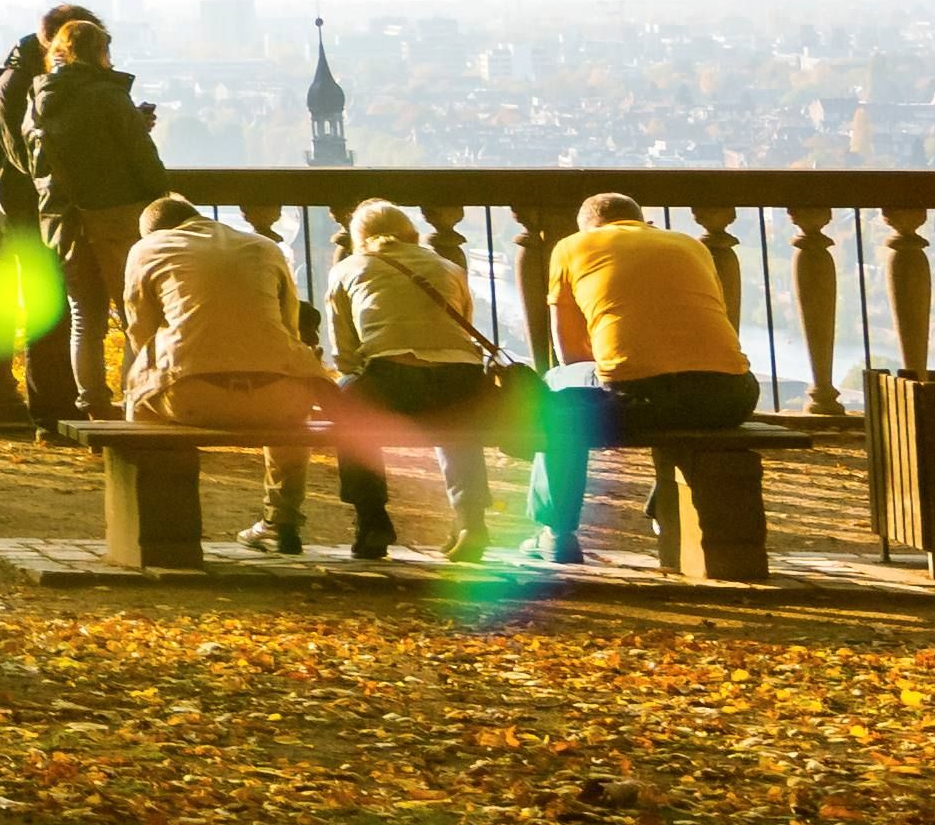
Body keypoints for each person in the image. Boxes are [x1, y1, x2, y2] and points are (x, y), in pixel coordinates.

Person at [532, 190, 759, 564]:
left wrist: (606, 379)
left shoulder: (571, 247)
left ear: (588, 226)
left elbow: (571, 353)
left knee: (556, 387)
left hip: (640, 397)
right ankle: (665, 498)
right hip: (732, 395)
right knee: (675, 395)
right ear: (642, 221)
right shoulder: (691, 245)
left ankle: (557, 533)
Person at [118, 194, 331, 550]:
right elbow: (290, 326)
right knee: (293, 401)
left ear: (153, 232)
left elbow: (141, 333)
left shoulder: (147, 249)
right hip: (277, 399)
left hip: (191, 398)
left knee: (138, 401)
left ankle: (164, 528)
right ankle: (281, 520)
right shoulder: (264, 247)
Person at [324, 198, 511, 566]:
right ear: (411, 233)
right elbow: (462, 330)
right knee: (459, 422)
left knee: (348, 406)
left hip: (395, 379)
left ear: (358, 237)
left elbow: (344, 355)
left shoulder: (347, 269)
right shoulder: (448, 266)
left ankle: (372, 520)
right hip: (463, 380)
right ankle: (471, 521)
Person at [23, 13, 168, 428]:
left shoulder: (38, 100)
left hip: (64, 220)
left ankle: (92, 405)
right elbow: (142, 160)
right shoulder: (108, 96)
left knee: (85, 318)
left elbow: (37, 165)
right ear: (100, 52)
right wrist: (161, 199)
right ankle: (134, 403)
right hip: (117, 216)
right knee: (136, 314)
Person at [0, 3, 97, 420]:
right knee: (48, 309)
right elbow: (25, 158)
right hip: (28, 210)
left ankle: (63, 409)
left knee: (65, 309)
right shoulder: (16, 82)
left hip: (40, 207)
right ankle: (50, 413)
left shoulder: (30, 75)